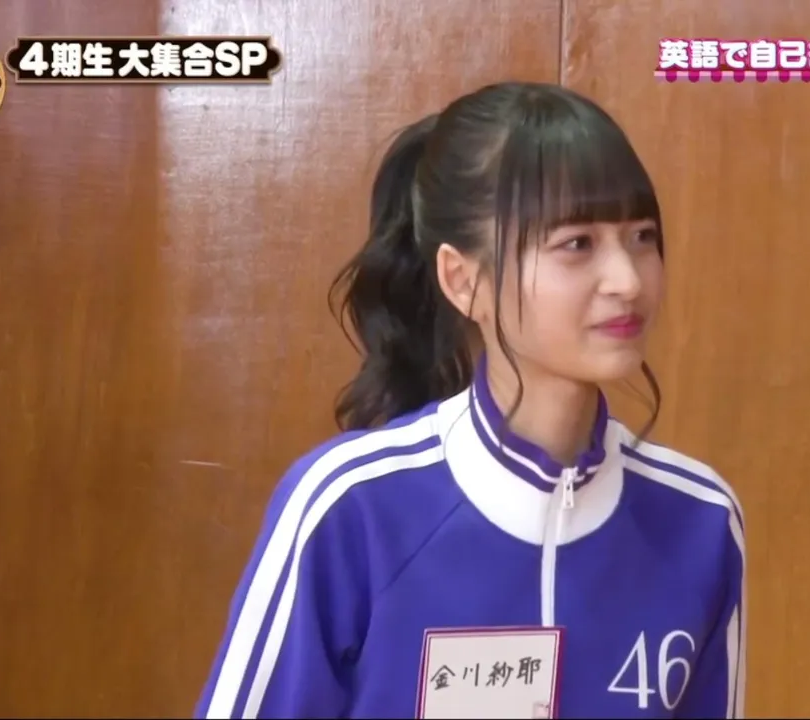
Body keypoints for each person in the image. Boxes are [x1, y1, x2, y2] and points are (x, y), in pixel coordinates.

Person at [195, 81, 745, 719]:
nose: (627, 280)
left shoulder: (700, 519)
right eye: (577, 244)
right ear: (464, 281)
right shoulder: (349, 507)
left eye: (642, 236)